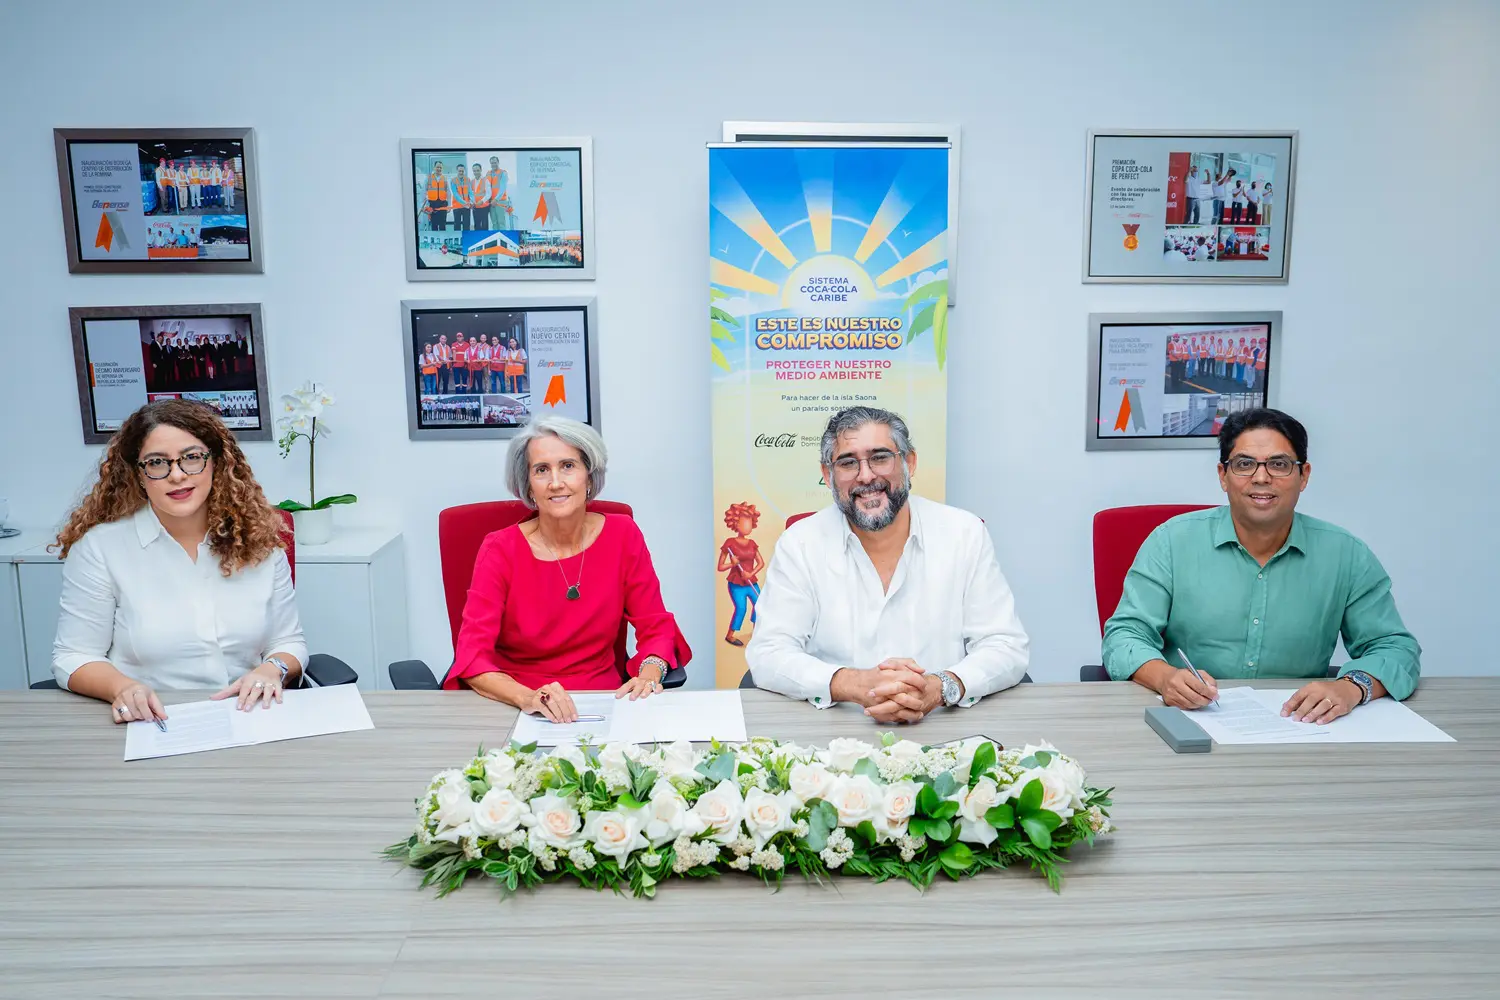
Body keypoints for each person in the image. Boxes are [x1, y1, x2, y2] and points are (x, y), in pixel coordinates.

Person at [1102, 408, 1420, 723]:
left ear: (1304, 475)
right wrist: (1165, 678)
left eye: (1279, 464)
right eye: (1244, 464)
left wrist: (1353, 688)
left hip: (1299, 726)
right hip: (1185, 718)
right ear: (1223, 476)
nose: (1261, 477)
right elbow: (1124, 635)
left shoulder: (1346, 554)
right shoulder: (1170, 542)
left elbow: (1395, 648)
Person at [746, 407, 1029, 722]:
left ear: (909, 463)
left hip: (945, 729)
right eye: (848, 462)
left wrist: (940, 687)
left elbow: (1005, 645)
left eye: (880, 457)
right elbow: (768, 653)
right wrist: (853, 684)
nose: (866, 476)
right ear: (828, 475)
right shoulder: (800, 543)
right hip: (833, 733)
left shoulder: (965, 534)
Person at [50, 400, 308, 723]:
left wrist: (274, 669)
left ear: (216, 462)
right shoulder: (101, 549)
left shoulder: (259, 540)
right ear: (139, 475)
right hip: (154, 723)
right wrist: (122, 687)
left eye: (191, 458)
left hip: (250, 718)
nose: (177, 475)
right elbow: (73, 656)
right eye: (157, 463)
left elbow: (288, 642)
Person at [442, 415, 690, 718]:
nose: (556, 482)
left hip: (603, 701)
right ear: (529, 485)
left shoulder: (623, 535)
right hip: (516, 703)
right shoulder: (500, 549)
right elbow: (472, 657)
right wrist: (529, 698)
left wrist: (649, 675)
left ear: (589, 476)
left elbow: (656, 628)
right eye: (542, 470)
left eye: (568, 466)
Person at [717, 502, 765, 647]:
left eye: (749, 523)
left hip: (751, 581)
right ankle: (730, 635)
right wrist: (732, 563)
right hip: (736, 583)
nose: (747, 527)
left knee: (760, 604)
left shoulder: (752, 543)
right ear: (735, 523)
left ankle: (756, 632)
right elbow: (720, 567)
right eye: (744, 523)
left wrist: (751, 573)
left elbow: (761, 563)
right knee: (741, 608)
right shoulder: (730, 543)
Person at [424, 159, 451, 231]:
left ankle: (443, 241)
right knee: (434, 225)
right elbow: (424, 192)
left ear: (442, 168)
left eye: (440, 167)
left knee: (443, 225)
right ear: (434, 167)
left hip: (443, 204)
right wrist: (425, 205)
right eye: (437, 167)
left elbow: (448, 193)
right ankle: (435, 241)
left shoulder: (445, 178)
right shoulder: (428, 178)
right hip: (432, 204)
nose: (439, 169)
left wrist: (449, 206)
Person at [469, 163, 491, 233]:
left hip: (484, 207)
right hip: (475, 207)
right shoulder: (471, 182)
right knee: (477, 225)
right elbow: (470, 194)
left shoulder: (485, 180)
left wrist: (482, 201)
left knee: (484, 225)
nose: (476, 172)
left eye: (477, 170)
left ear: (481, 170)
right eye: (474, 171)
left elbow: (489, 193)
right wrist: (472, 202)